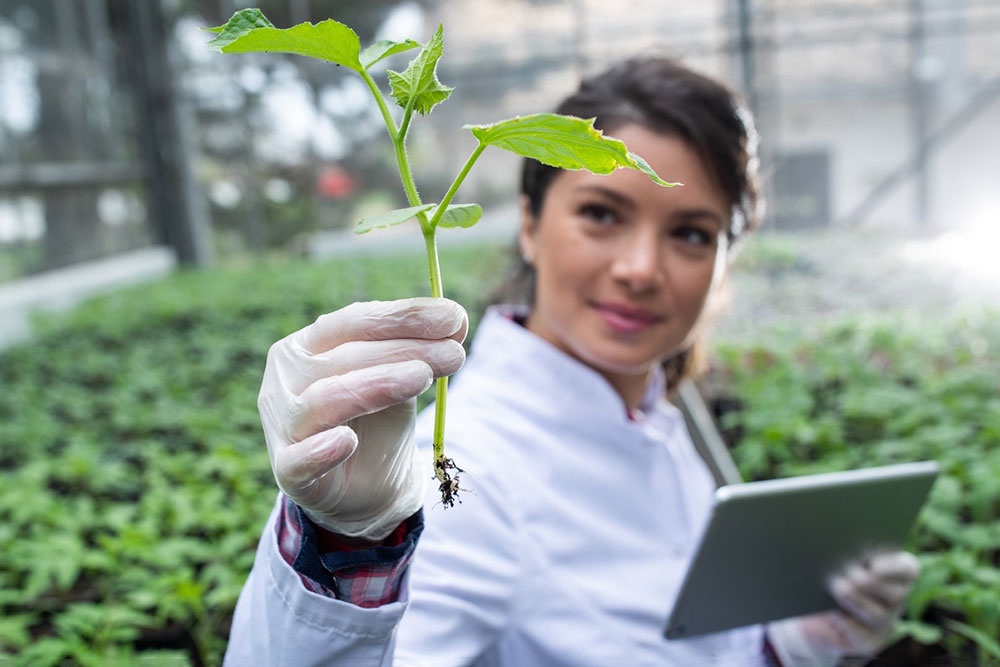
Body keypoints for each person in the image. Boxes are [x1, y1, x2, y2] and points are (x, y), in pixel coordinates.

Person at [224, 55, 920, 666]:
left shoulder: (650, 407)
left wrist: (792, 644)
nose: (642, 268)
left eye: (690, 232)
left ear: (723, 261)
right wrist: (348, 546)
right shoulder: (473, 468)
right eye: (602, 213)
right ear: (529, 223)